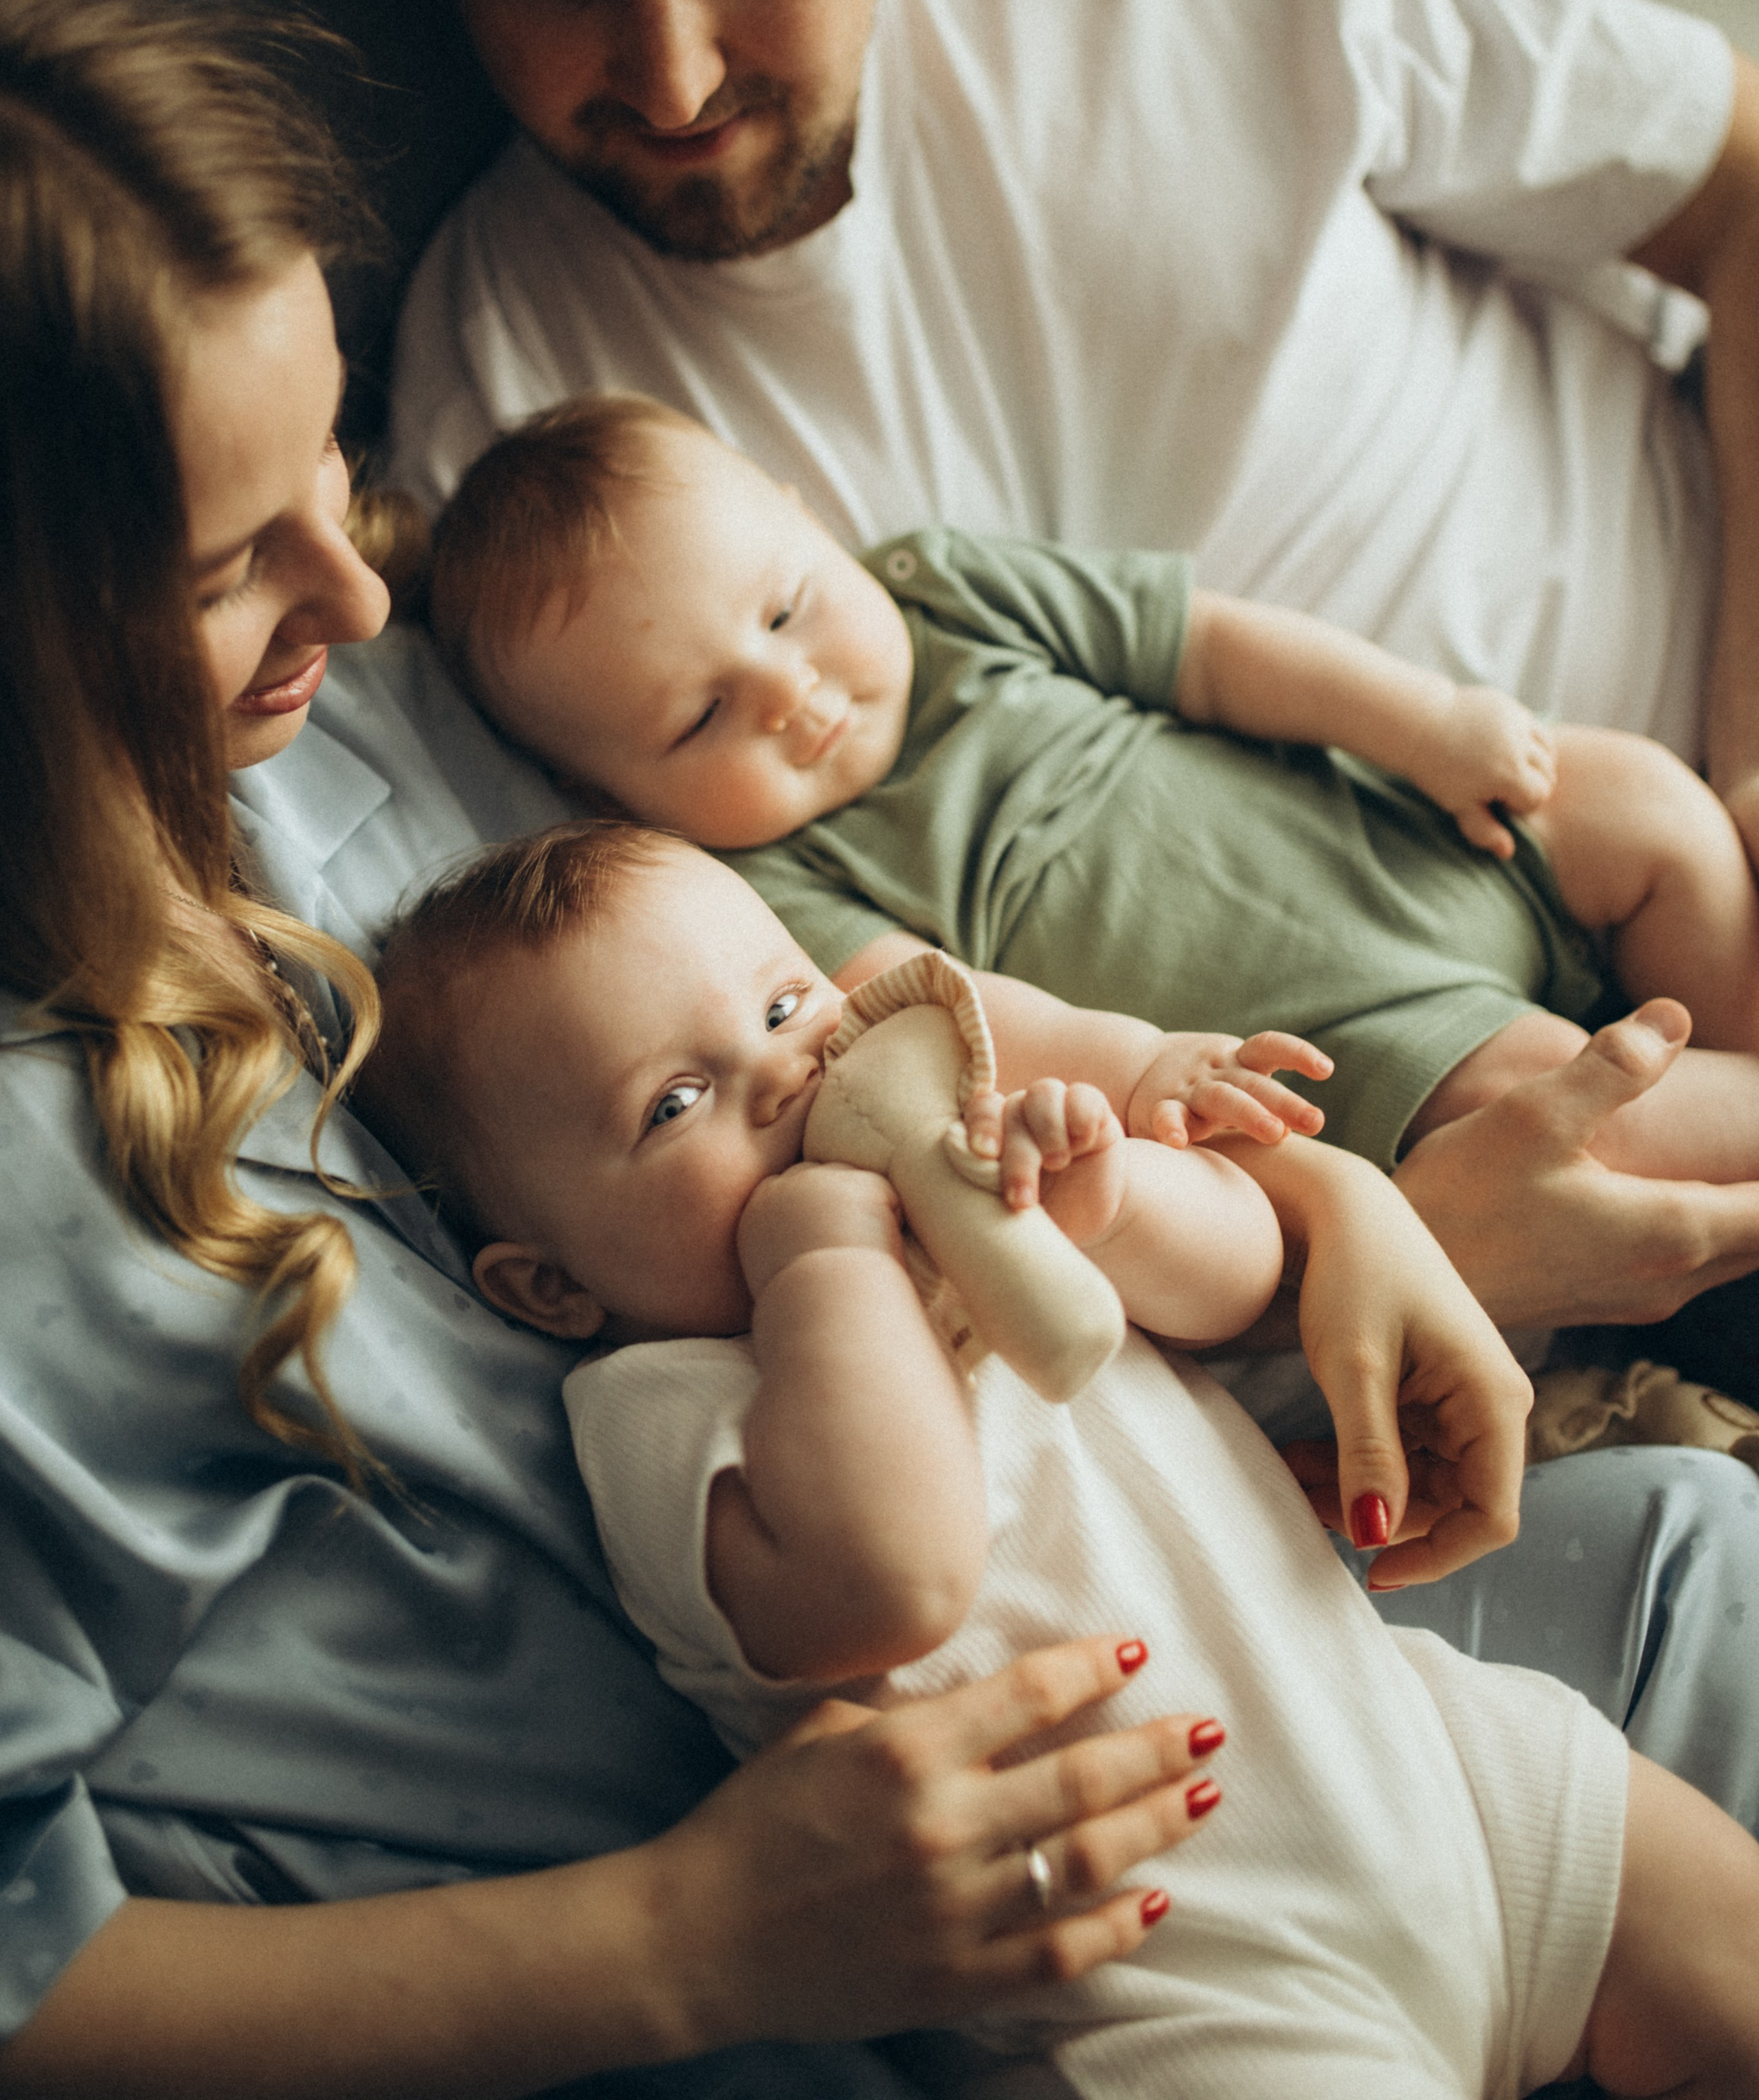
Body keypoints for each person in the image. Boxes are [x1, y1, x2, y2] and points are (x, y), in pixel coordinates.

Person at [0, 0, 1236, 2100]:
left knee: (1694, 1568)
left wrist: (1324, 1196)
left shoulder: (361, 703)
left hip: (1122, 1568)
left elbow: (849, 986)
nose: (359, 587)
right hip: (647, 1958)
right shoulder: (44, 1196)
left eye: (341, 450)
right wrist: (691, 1947)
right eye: (227, 561)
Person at [378, 0, 1759, 1348]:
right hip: (1393, 1120)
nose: (673, 72)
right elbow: (796, 1105)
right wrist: (1373, 1242)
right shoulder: (495, 414)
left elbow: (1742, 198)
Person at [359, 820, 1759, 2099]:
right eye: (675, 1104)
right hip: (1181, 1990)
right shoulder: (657, 1405)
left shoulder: (988, 1200)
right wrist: (833, 1259)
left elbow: (1229, 1283)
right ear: (550, 1289)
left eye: (788, 1006)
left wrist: (1100, 1197)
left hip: (1447, 1769)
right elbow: (890, 1581)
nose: (790, 1075)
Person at [427, 393, 1759, 1188]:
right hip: (1350, 1027)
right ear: (607, 794)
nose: (785, 690)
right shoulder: (761, 893)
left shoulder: (938, 589)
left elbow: (1212, 653)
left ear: (806, 515)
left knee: (1644, 803)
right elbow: (959, 1018)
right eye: (699, 715)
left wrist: (1426, 725)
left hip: (1396, 823)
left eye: (785, 605)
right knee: (1577, 1102)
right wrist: (1138, 1067)